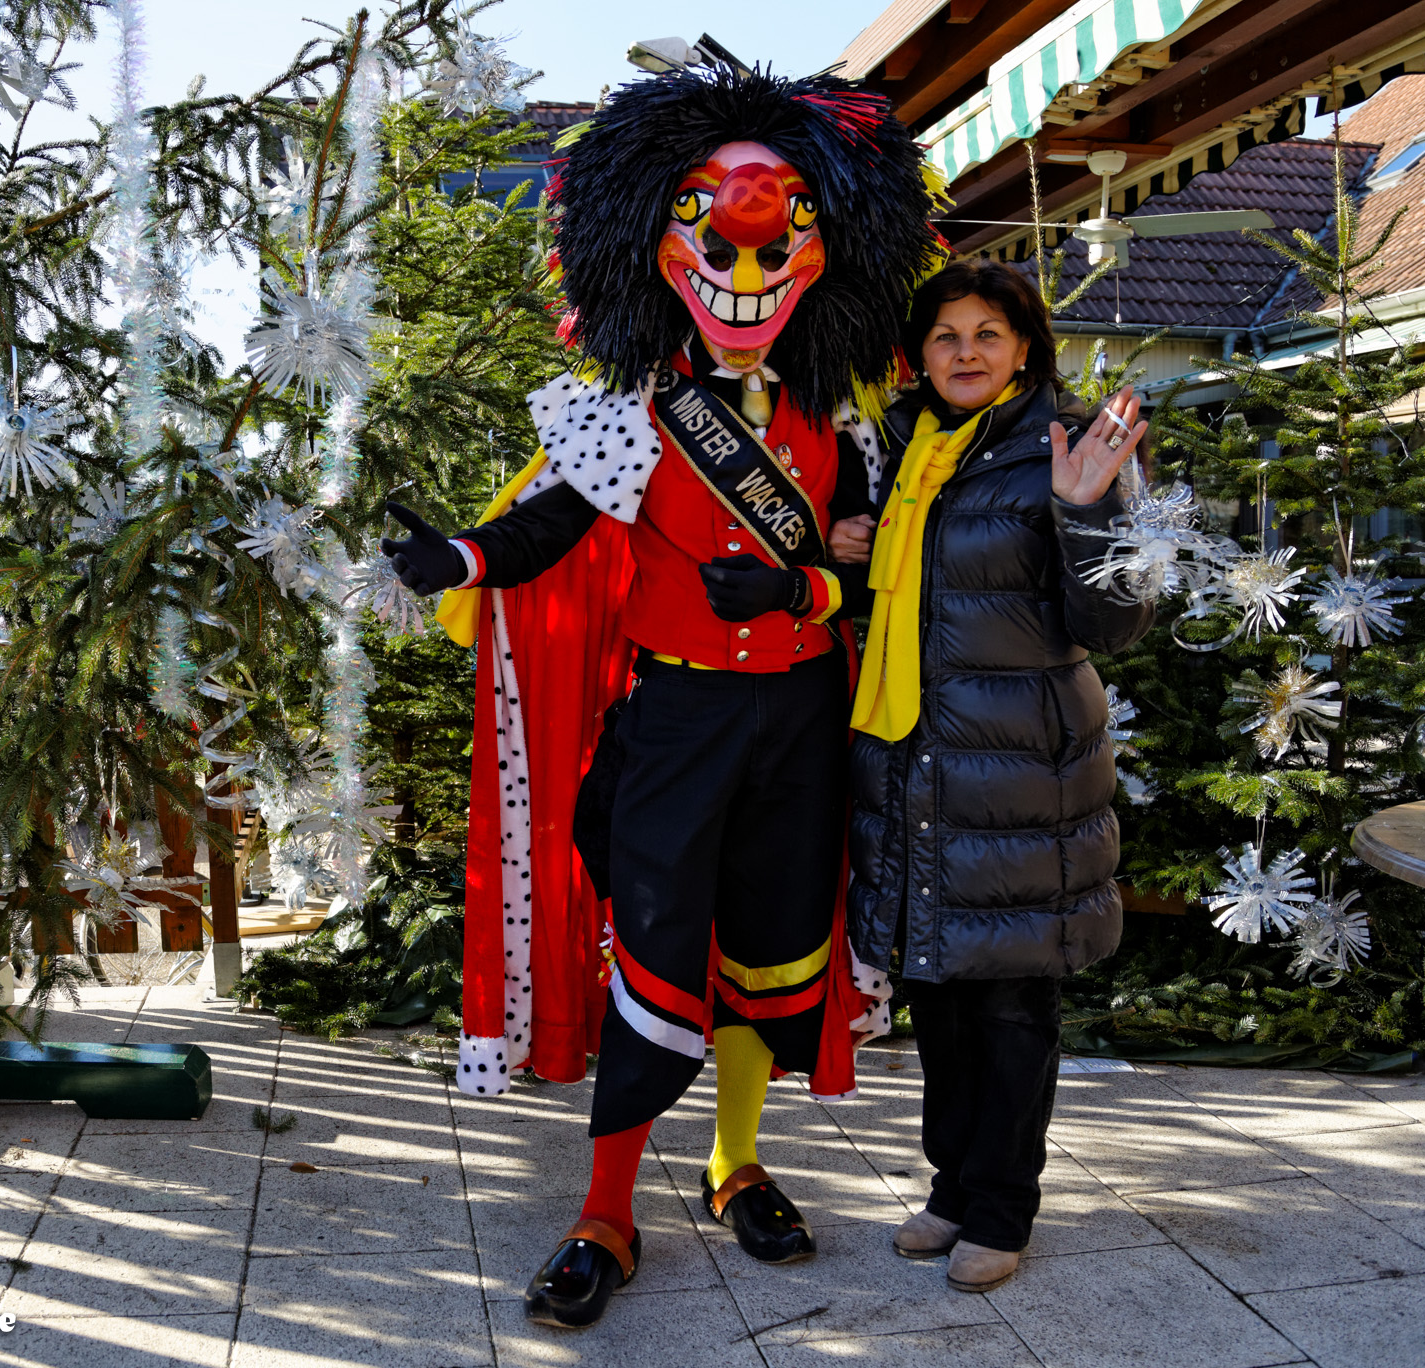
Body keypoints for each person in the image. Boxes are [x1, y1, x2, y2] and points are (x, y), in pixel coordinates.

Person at [379, 65, 944, 1328]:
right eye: (704, 218)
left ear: (829, 246)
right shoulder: (629, 410)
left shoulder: (842, 426)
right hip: (674, 728)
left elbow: (868, 583)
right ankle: (603, 1211)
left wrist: (796, 595)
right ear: (649, 241)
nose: (744, 256)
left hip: (798, 726)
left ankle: (735, 1160)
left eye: (783, 222)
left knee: (769, 956)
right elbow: (541, 533)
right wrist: (454, 559)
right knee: (652, 958)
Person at [830, 259, 1153, 1294]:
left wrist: (1084, 511)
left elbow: (1118, 619)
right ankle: (952, 1188)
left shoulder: (1067, 447)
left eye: (986, 334)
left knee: (1011, 1005)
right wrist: (849, 553)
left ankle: (1002, 1204)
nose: (964, 353)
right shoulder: (903, 451)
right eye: (944, 336)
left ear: (1023, 346)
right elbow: (897, 610)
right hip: (916, 766)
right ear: (916, 356)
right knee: (939, 993)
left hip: (1019, 779)